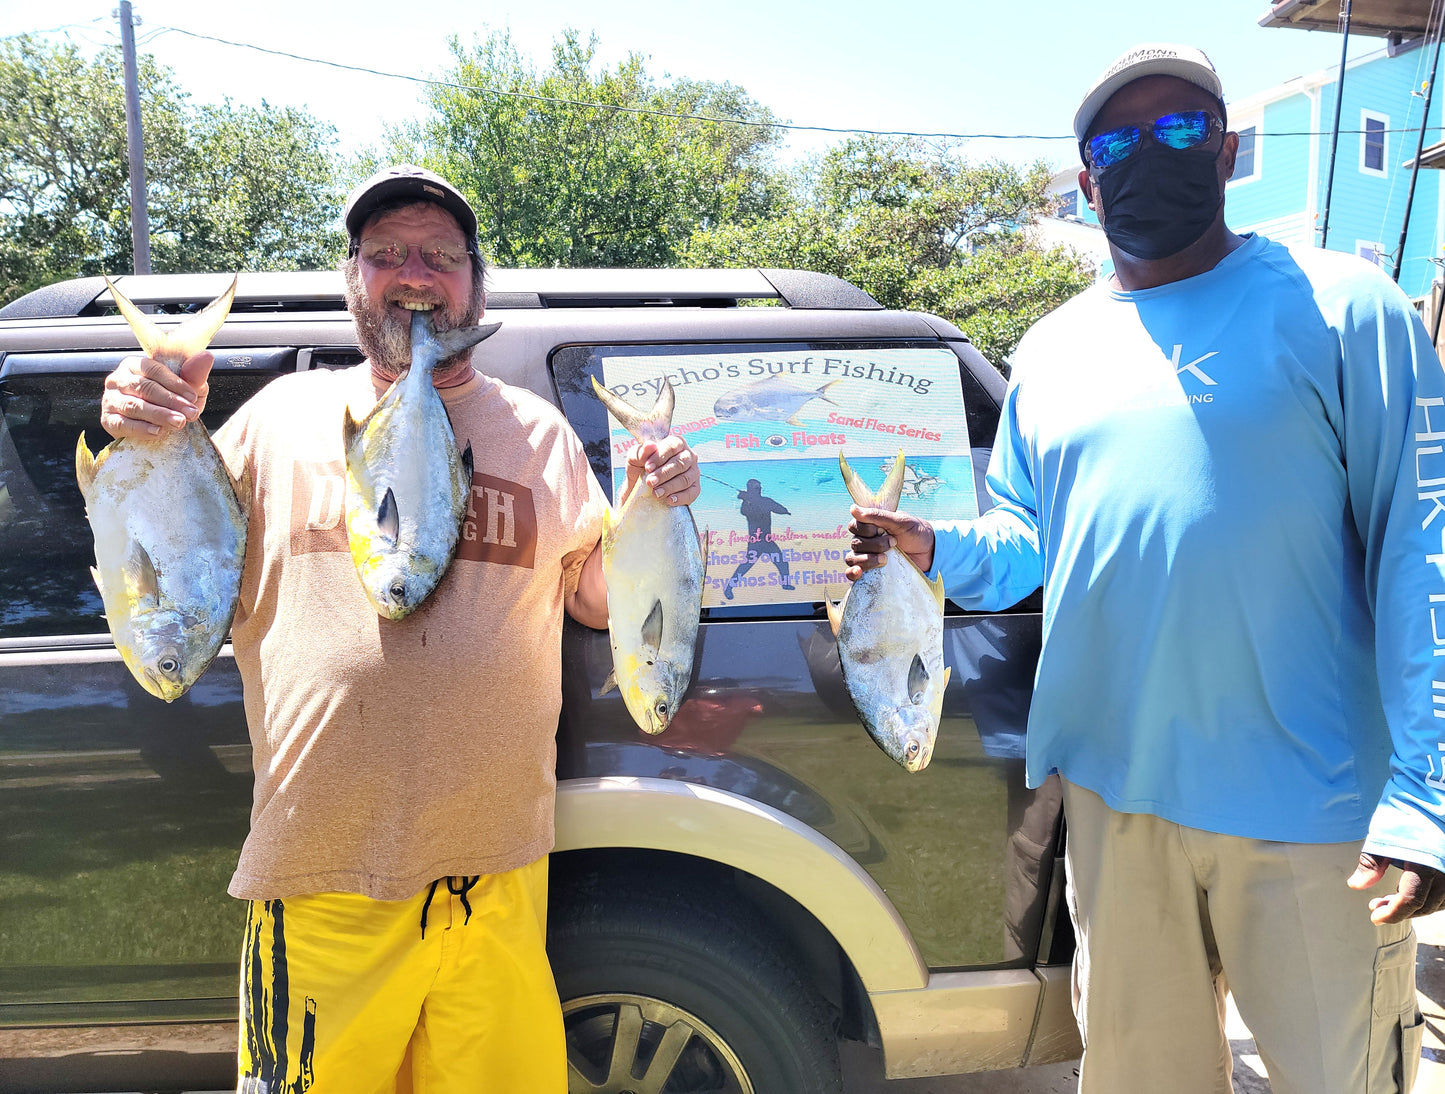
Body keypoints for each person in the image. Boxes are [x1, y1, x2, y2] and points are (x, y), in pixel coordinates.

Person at [847, 44, 1445, 1094]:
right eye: (1115, 142)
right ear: (1086, 181)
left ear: (1221, 154)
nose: (1146, 157)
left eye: (1177, 132)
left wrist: (1424, 792)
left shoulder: (1348, 308)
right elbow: (1028, 538)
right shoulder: (1049, 349)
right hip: (1115, 807)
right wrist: (932, 548)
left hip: (1308, 811)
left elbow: (1423, 552)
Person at [98, 164, 700, 1092]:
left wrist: (651, 510)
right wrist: (143, 418)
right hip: (321, 881)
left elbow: (597, 601)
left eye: (438, 255)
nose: (413, 274)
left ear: (475, 283)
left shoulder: (540, 435)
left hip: (497, 881)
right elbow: (168, 545)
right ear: (353, 280)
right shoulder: (275, 421)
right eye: (385, 255)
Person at [722, 478, 795, 598]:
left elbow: (777, 507)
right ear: (751, 489)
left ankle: (786, 584)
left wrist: (785, 511)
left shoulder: (763, 501)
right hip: (755, 542)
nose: (760, 489)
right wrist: (746, 499)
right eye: (757, 488)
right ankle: (729, 588)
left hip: (767, 540)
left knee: (782, 562)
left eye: (760, 488)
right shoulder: (747, 503)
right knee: (745, 566)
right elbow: (745, 512)